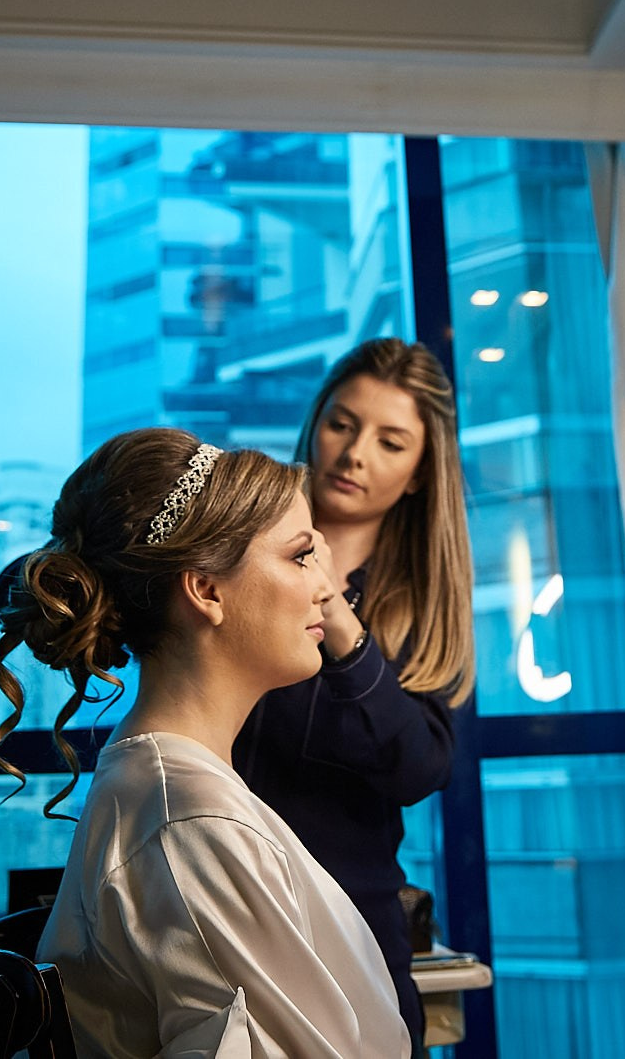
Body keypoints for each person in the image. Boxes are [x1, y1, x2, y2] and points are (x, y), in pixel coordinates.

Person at [0, 428, 409, 1059]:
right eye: (299, 557)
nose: (327, 588)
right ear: (207, 590)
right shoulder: (192, 823)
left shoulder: (174, 791)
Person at [231, 338, 475, 1051]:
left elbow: (421, 768)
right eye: (343, 422)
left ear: (421, 472)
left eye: (390, 440)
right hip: (213, 901)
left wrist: (335, 613)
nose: (356, 452)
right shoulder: (232, 540)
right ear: (315, 423)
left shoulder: (422, 602)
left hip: (349, 926)